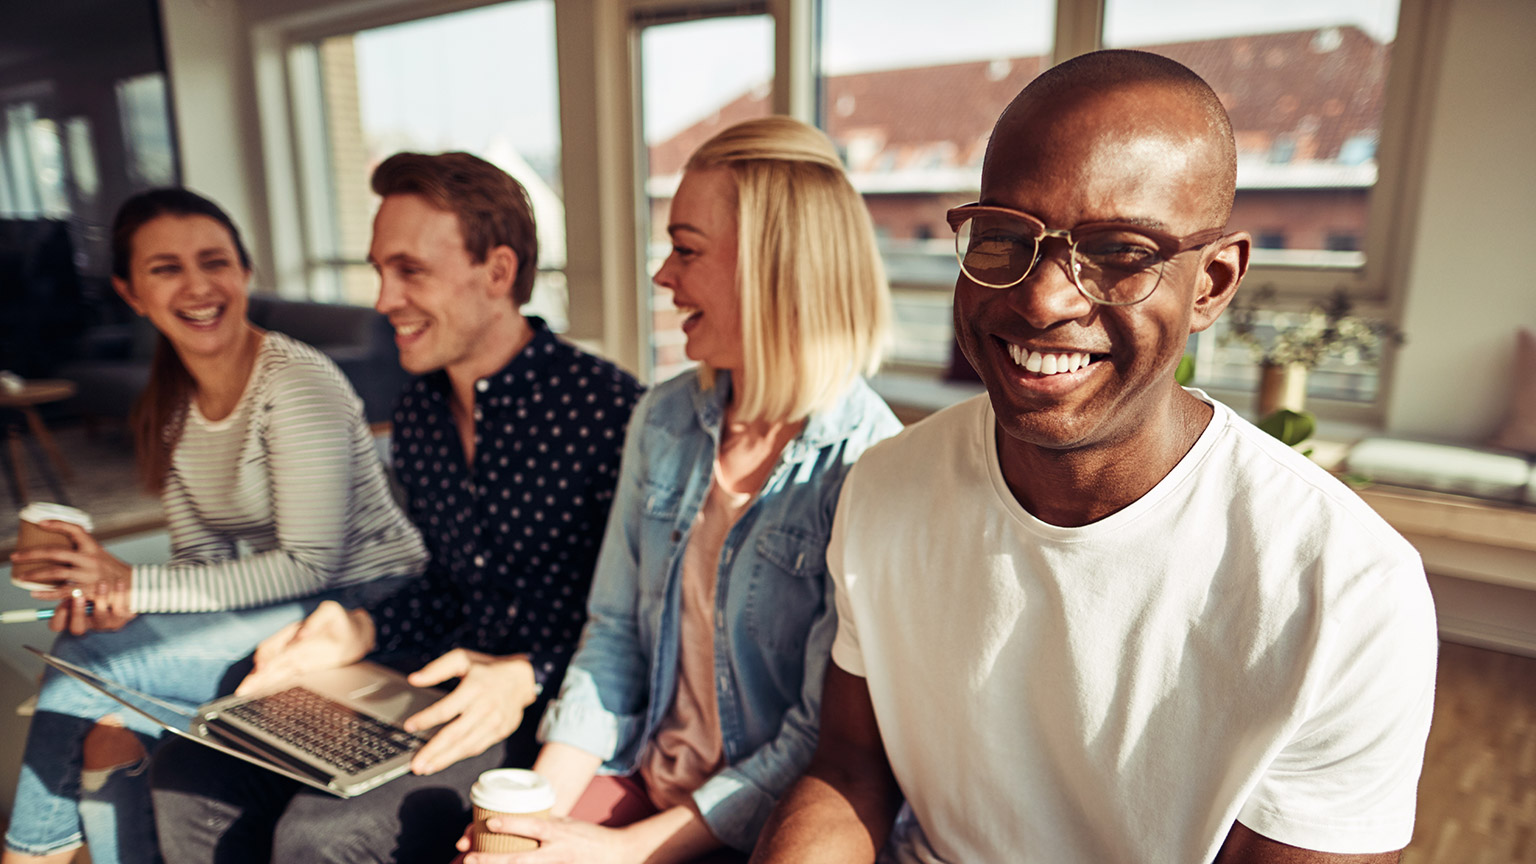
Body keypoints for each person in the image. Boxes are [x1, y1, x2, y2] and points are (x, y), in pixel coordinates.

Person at [751, 50, 1438, 864]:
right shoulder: (886, 486)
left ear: (1213, 283)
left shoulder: (1343, 590)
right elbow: (852, 767)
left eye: (1119, 253)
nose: (1044, 299)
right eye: (1006, 235)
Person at [149, 151, 644, 863]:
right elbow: (451, 584)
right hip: (439, 672)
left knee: (321, 838)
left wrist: (532, 671)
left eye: (410, 271)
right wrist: (354, 627)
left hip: (549, 703)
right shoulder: (421, 412)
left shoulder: (609, 412)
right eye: (381, 270)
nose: (383, 299)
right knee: (189, 769)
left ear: (498, 273)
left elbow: (645, 631)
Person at [458, 116, 902, 864]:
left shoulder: (870, 464)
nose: (663, 275)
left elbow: (817, 740)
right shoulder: (660, 419)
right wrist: (537, 816)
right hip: (639, 775)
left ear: (776, 268)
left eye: (687, 249)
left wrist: (624, 851)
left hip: (762, 827)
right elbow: (614, 643)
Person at [3, 188, 428, 864]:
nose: (198, 285)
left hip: (370, 598)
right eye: (166, 268)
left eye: (214, 261)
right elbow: (202, 556)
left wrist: (136, 589)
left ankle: (28, 855)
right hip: (275, 601)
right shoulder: (172, 401)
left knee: (87, 662)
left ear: (244, 273)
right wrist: (117, 598)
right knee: (108, 720)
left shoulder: (297, 383)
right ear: (131, 292)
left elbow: (310, 565)